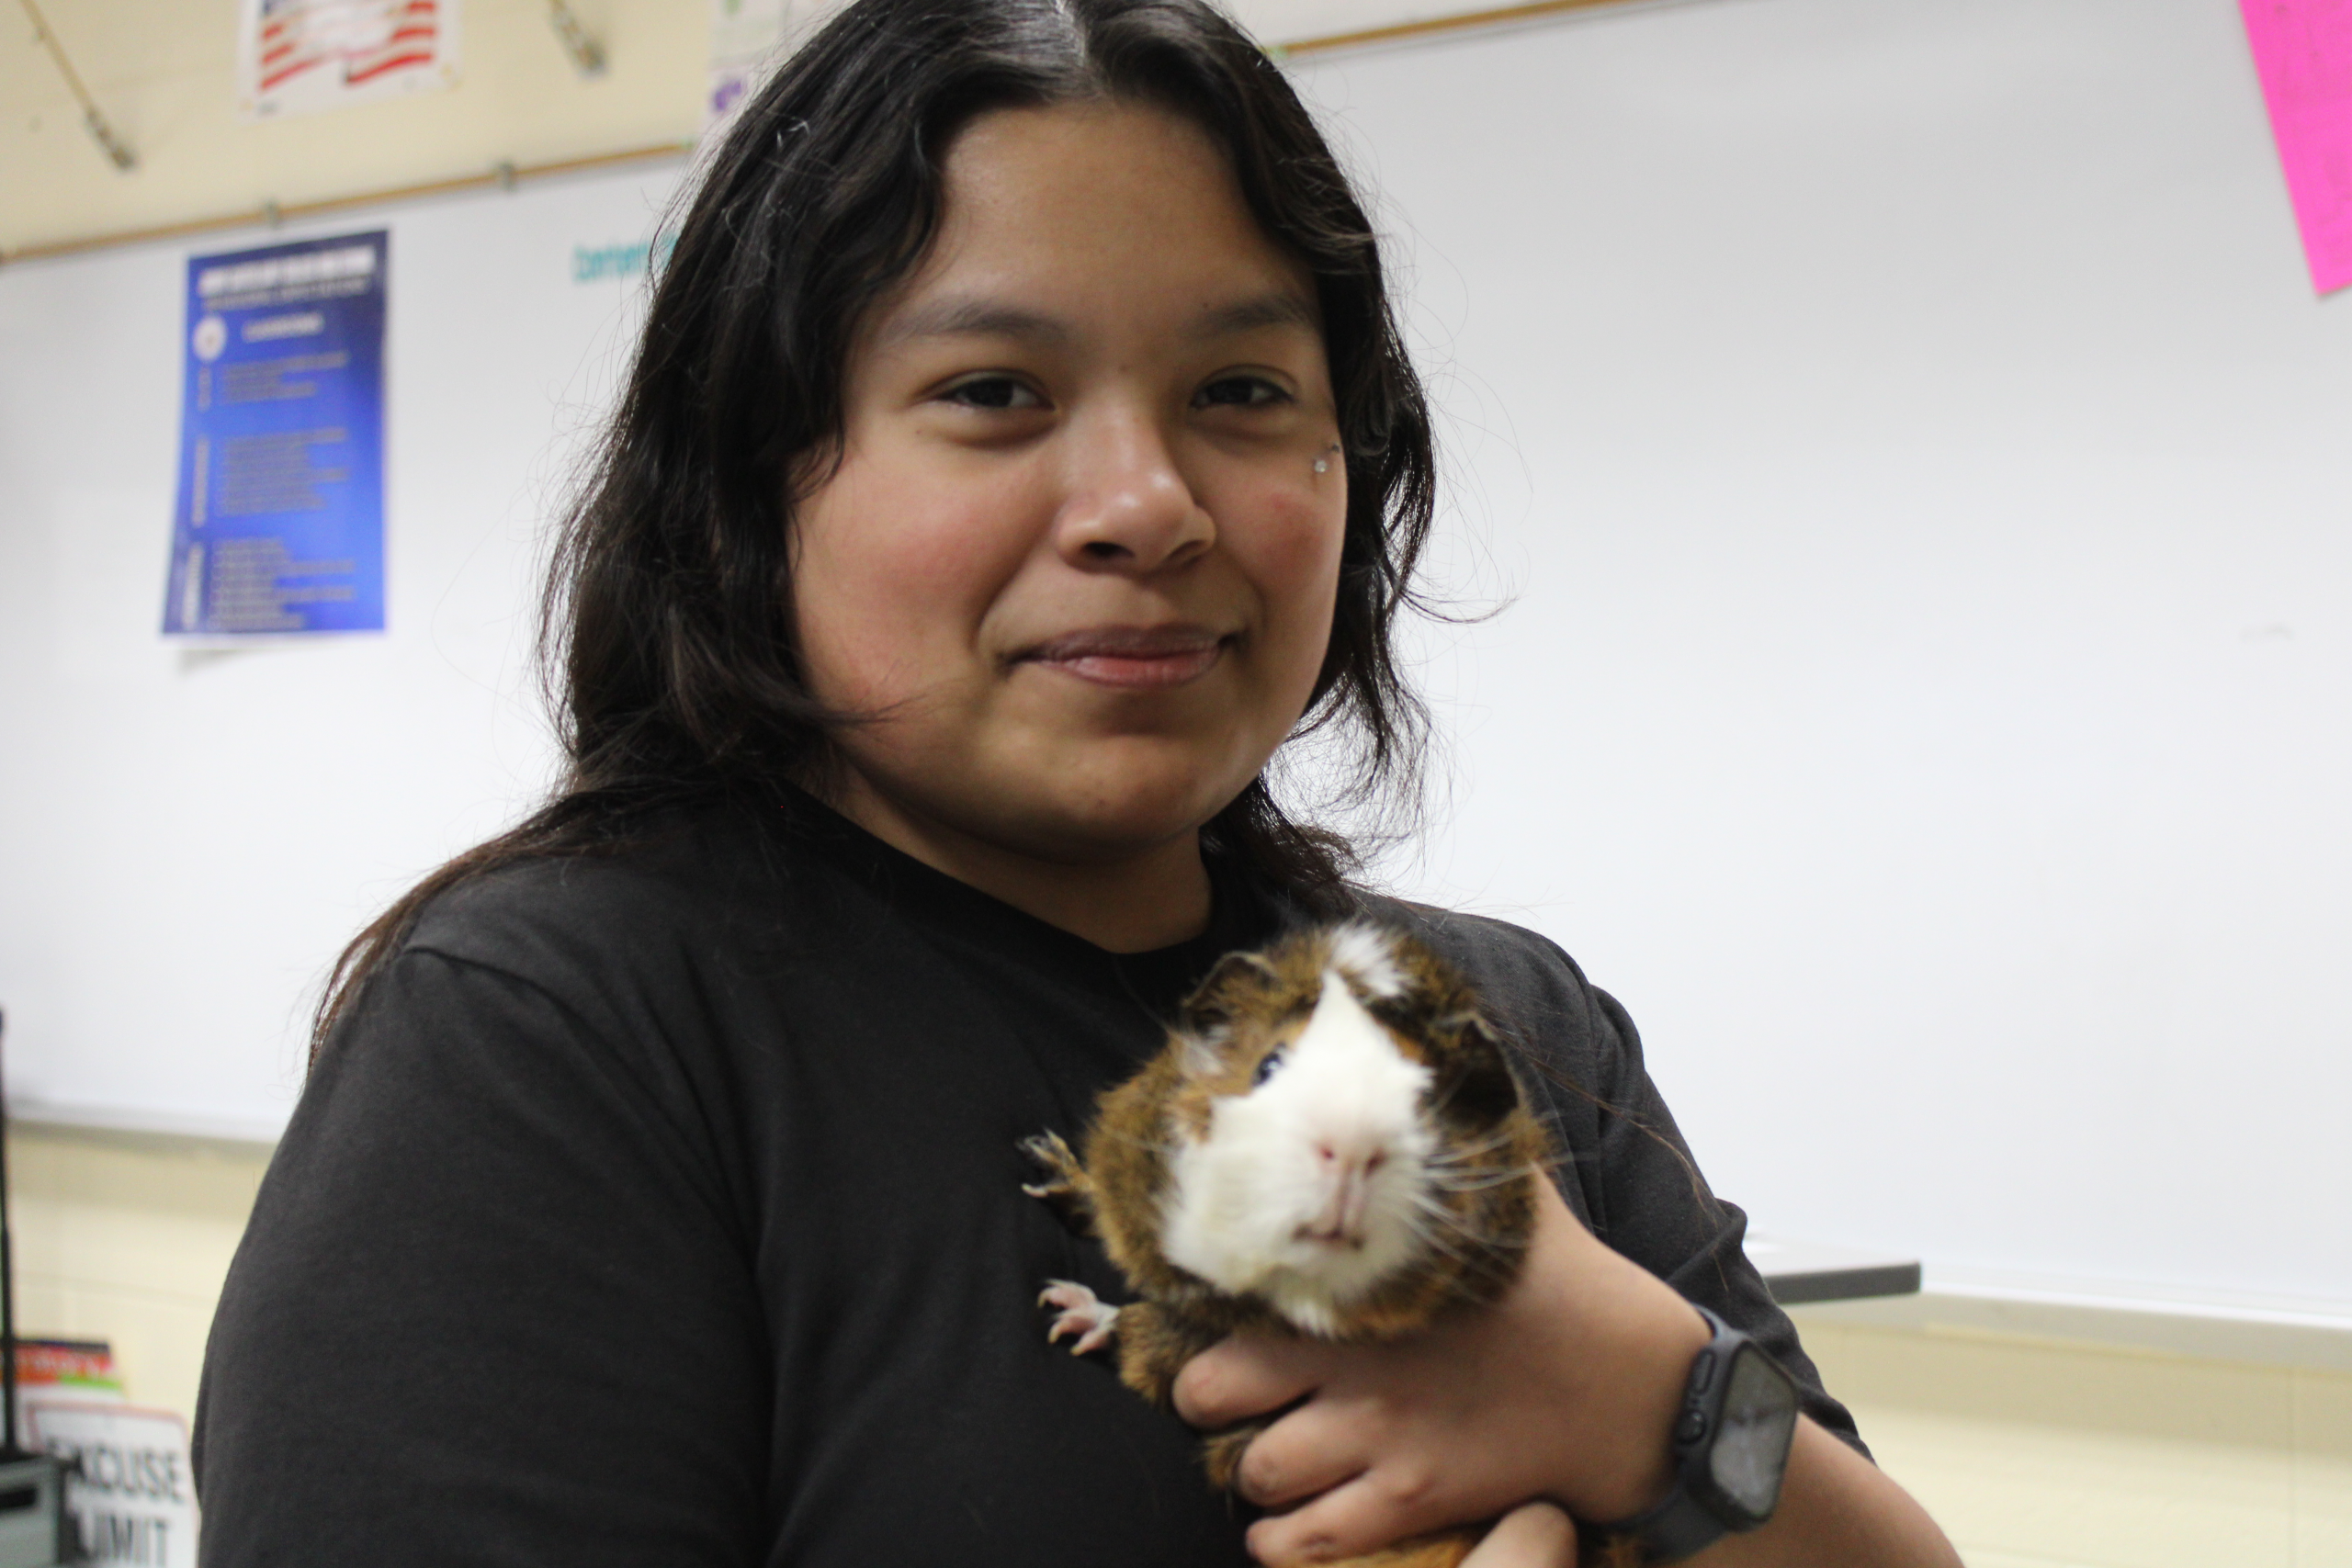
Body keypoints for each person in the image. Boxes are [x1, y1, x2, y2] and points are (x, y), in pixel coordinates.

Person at [193, 3, 1962, 1564]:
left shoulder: (1497, 1020)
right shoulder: (563, 1041)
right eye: (993, 390)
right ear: (756, 483)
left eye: (1244, 388)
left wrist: (1644, 1398)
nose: (1149, 500)